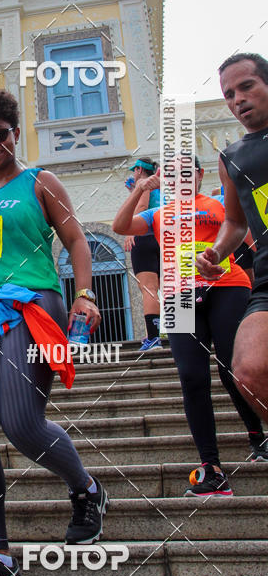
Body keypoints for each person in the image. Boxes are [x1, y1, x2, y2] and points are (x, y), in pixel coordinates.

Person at [0, 88, 105, 576]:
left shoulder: (40, 181)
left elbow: (76, 240)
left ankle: (86, 489)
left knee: (22, 424)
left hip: (32, 302)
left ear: (15, 133)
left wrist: (84, 295)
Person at [112, 156, 267, 496]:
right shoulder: (157, 214)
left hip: (227, 286)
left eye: (186, 171)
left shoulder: (219, 203)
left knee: (233, 367)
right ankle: (211, 467)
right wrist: (139, 188)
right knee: (192, 377)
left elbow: (252, 240)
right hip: (180, 295)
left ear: (199, 174)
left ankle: (258, 436)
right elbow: (120, 226)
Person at [197, 52, 268, 430]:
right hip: (266, 279)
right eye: (229, 94)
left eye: (246, 87)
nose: (238, 99)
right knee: (248, 369)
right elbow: (236, 223)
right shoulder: (231, 158)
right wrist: (217, 251)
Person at [125, 157, 163, 351]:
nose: (133, 174)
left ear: (139, 170)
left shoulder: (145, 184)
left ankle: (154, 338)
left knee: (148, 288)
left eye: (134, 170)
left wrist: (130, 230)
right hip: (163, 237)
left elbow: (141, 207)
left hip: (145, 236)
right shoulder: (159, 186)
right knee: (165, 287)